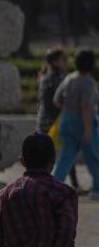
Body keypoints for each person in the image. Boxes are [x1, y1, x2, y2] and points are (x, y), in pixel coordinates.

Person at [50, 49, 99, 201]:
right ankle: (97, 189)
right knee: (93, 156)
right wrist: (88, 129)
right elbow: (86, 106)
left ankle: (53, 187)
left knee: (66, 157)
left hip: (66, 119)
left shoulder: (69, 78)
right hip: (82, 121)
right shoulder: (88, 82)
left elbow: (56, 101)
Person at [37, 48, 82, 193]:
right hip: (58, 120)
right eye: (64, 59)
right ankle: (72, 184)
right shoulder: (61, 77)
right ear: (56, 62)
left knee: (47, 154)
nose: (66, 62)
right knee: (68, 150)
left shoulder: (45, 76)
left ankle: (42, 183)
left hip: (44, 120)